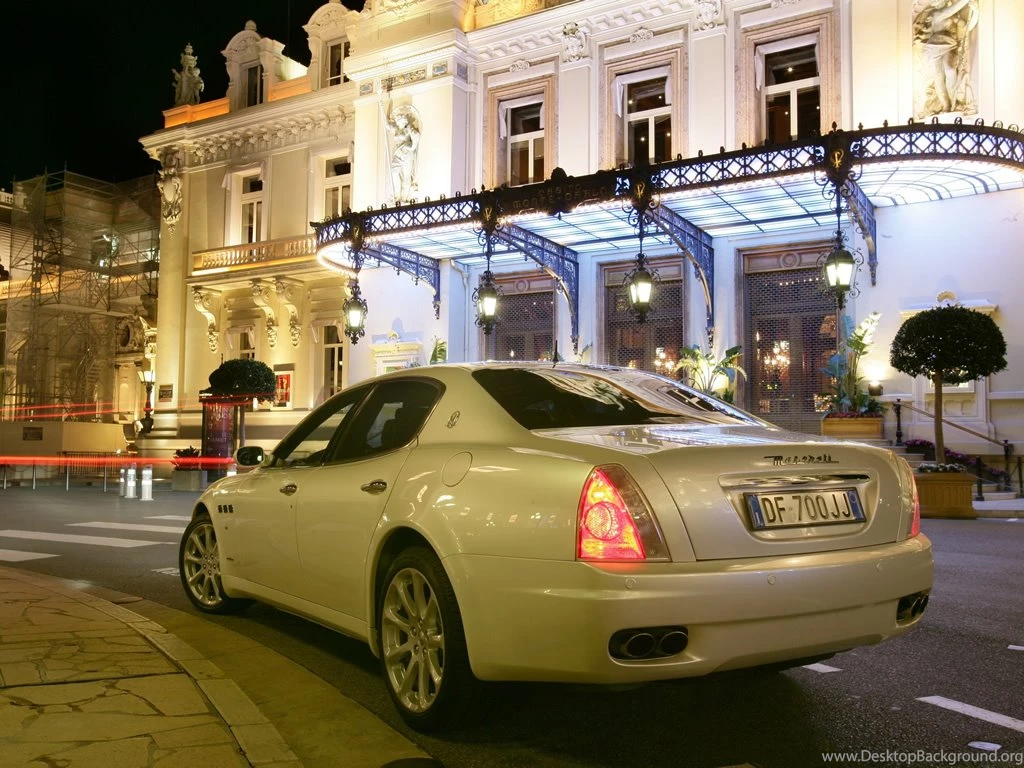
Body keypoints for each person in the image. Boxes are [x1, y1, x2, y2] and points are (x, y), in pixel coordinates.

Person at [912, 0, 978, 117]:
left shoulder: (955, 17)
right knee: (938, 78)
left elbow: (967, 26)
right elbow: (951, 10)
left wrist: (973, 12)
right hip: (934, 46)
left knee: (950, 70)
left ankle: (952, 102)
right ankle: (946, 105)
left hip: (949, 44)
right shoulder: (936, 14)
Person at [385, 104, 421, 203]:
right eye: (396, 120)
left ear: (403, 121)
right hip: (398, 154)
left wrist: (412, 147)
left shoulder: (408, 129)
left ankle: (404, 198)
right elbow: (387, 125)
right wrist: (382, 106)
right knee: (394, 172)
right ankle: (397, 195)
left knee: (406, 175)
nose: (397, 121)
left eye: (398, 120)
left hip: (406, 154)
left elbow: (417, 135)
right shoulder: (396, 130)